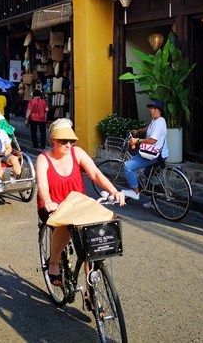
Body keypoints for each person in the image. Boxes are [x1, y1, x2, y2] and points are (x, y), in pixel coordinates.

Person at [36, 119, 127, 284]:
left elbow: (95, 174)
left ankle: (90, 288)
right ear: (53, 140)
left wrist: (114, 191)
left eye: (71, 141)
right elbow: (42, 184)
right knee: (65, 225)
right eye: (63, 141)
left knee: (95, 234)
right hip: (53, 205)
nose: (68, 145)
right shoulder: (43, 159)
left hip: (77, 204)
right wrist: (48, 201)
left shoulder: (77, 153)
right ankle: (54, 262)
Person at [120, 99, 169, 208]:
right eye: (151, 108)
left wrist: (137, 140)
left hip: (154, 155)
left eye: (155, 108)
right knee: (148, 176)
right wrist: (139, 131)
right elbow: (149, 128)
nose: (152, 110)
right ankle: (153, 202)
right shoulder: (156, 120)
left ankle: (135, 192)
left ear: (160, 110)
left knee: (127, 166)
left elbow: (152, 141)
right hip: (160, 153)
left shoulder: (159, 123)